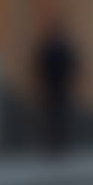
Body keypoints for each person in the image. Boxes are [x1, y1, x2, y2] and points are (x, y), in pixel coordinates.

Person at [36, 22, 78, 154]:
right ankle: (52, 143)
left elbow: (72, 64)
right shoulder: (49, 48)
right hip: (51, 86)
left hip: (62, 86)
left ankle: (62, 142)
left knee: (61, 116)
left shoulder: (63, 48)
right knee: (52, 116)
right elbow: (40, 64)